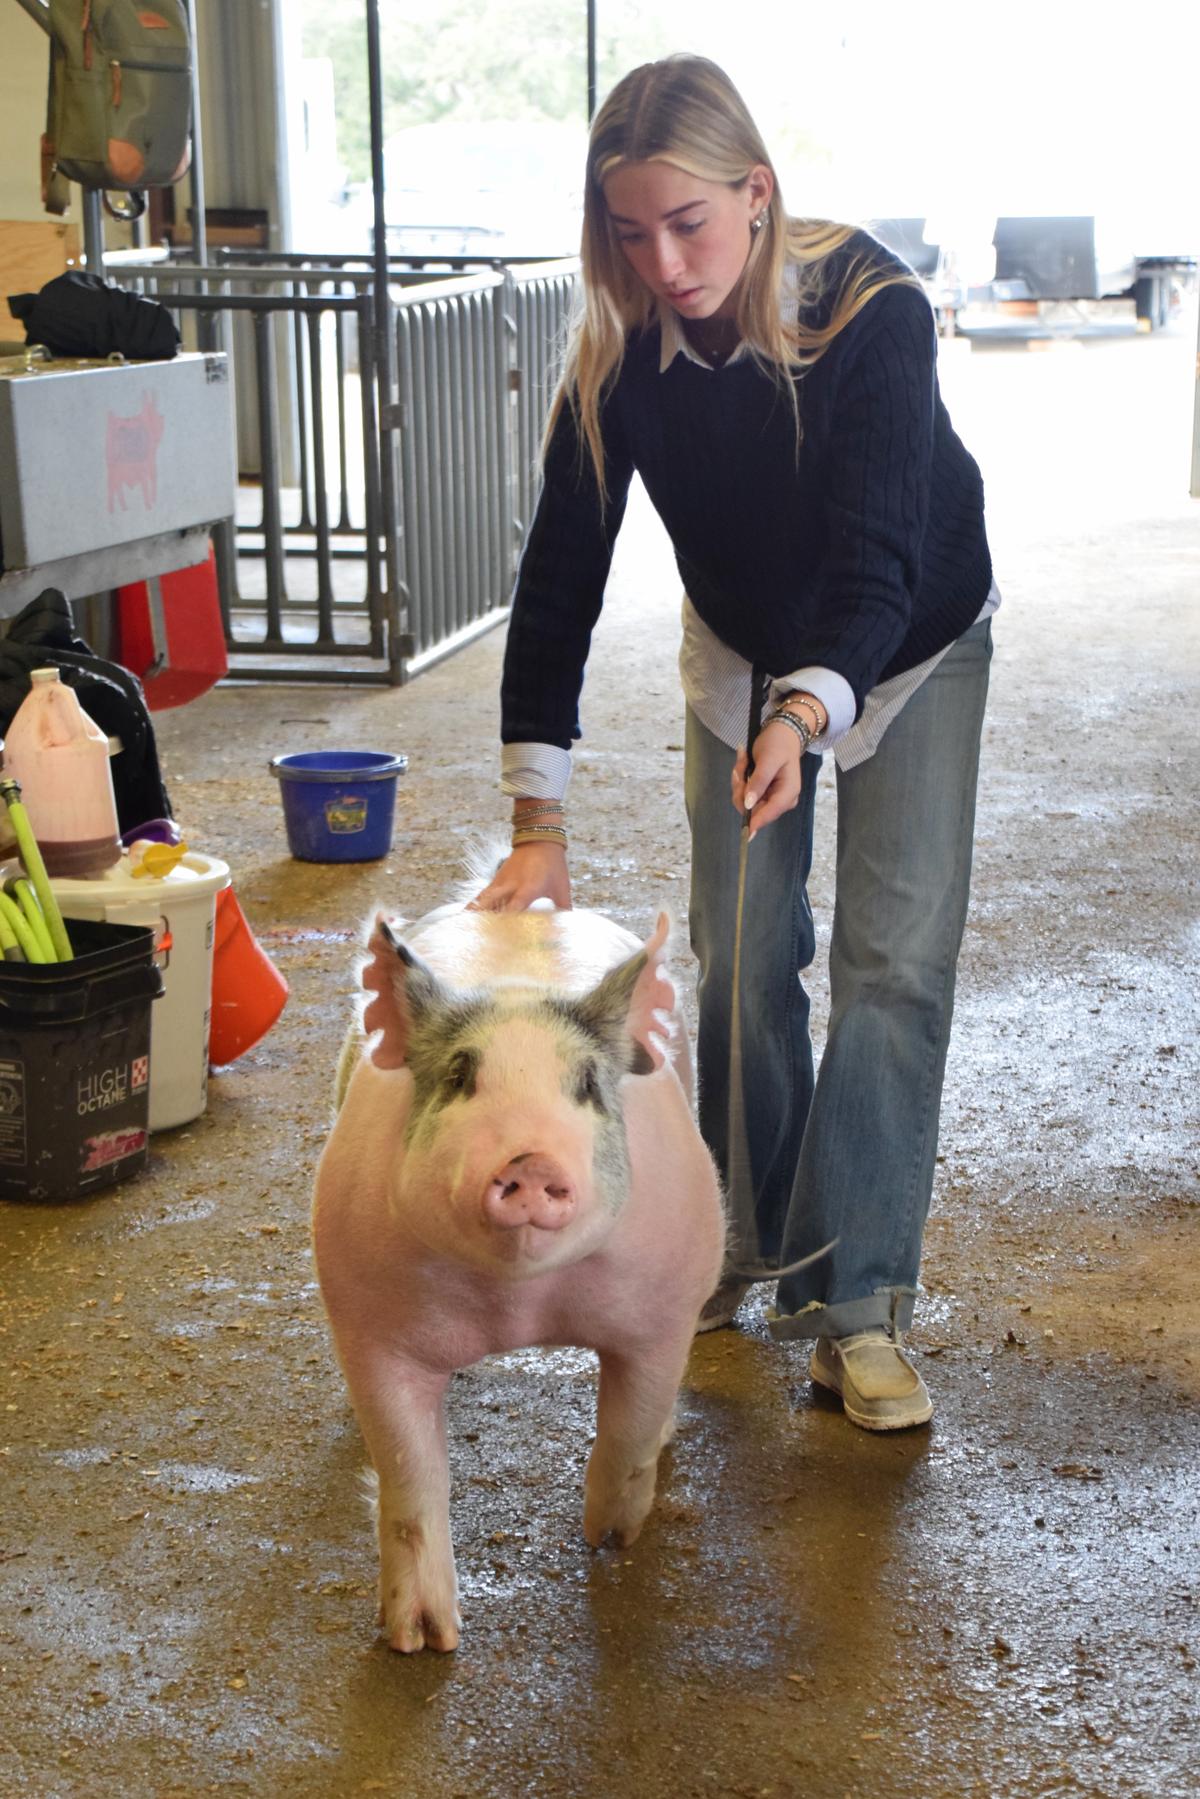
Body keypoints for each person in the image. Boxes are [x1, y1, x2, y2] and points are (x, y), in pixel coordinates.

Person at [473, 53, 997, 1432]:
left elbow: (879, 547)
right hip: (744, 655)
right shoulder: (623, 353)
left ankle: (859, 1303)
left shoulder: (872, 310)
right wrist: (539, 818)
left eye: (689, 224)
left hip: (913, 639)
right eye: (630, 233)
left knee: (894, 963)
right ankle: (740, 1242)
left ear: (755, 194)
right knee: (746, 949)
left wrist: (813, 714)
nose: (663, 260)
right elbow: (561, 577)